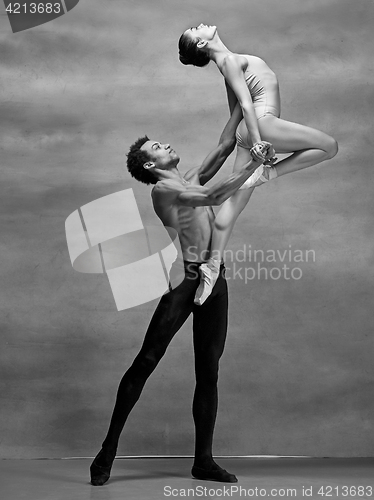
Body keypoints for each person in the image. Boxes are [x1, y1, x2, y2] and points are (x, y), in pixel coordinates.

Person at [89, 107, 274, 486]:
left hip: (214, 278)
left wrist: (240, 104)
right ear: (150, 164)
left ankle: (203, 461)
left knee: (209, 371)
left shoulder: (186, 178)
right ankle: (107, 450)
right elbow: (211, 195)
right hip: (185, 281)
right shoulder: (164, 190)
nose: (166, 143)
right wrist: (255, 166)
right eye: (157, 146)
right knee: (147, 360)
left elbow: (224, 145)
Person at [178, 24, 338, 304]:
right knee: (329, 146)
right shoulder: (228, 61)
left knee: (233, 205)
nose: (200, 25)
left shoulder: (227, 64)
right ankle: (269, 173)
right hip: (262, 126)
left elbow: (236, 113)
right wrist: (257, 143)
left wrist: (235, 143)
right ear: (202, 44)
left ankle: (211, 268)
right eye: (195, 30)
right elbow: (247, 104)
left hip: (251, 131)